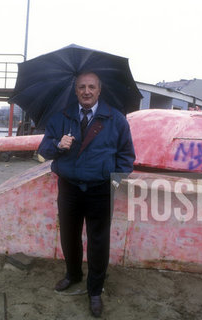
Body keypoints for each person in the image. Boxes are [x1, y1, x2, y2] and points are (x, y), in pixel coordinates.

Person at [38, 72, 135, 317]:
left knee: (98, 242)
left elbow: (126, 157)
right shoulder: (62, 118)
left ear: (99, 90)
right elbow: (42, 151)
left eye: (91, 86)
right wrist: (58, 146)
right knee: (69, 236)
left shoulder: (116, 120)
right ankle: (73, 274)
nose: (86, 91)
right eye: (82, 87)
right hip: (69, 187)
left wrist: (113, 184)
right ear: (76, 90)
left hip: (100, 189)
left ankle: (94, 290)